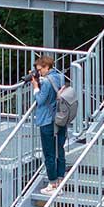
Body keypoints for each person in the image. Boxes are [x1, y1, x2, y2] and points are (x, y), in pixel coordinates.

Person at [30, 55, 66, 189]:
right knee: (59, 150)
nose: (39, 72)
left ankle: (52, 183)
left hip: (47, 120)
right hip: (61, 118)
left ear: (47, 67)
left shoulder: (45, 82)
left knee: (49, 153)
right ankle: (61, 179)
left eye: (40, 69)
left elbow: (40, 100)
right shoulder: (60, 77)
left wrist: (35, 87)